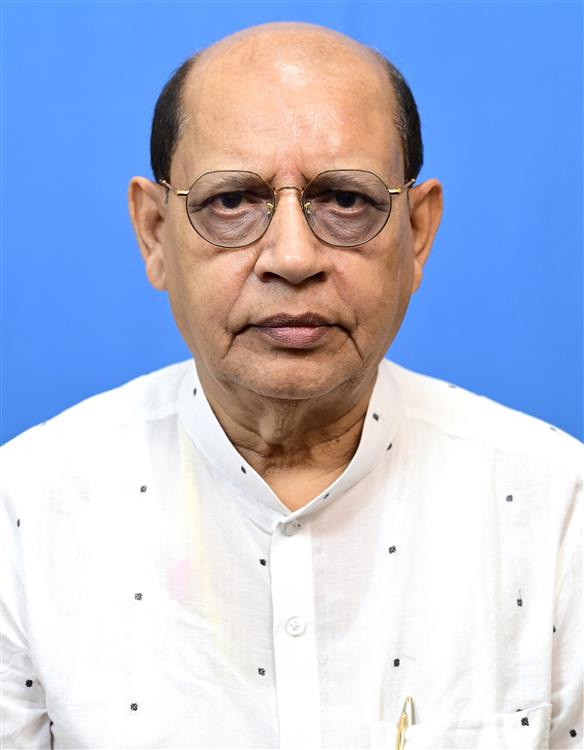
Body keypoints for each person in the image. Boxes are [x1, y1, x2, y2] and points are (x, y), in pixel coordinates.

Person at [1, 20, 581, 750]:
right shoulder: (22, 513)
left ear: (418, 233)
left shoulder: (559, 507)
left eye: (346, 201)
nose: (293, 257)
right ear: (153, 233)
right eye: (230, 202)